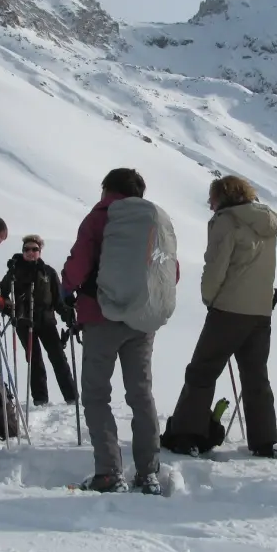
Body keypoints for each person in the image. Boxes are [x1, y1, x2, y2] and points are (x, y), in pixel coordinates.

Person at [60, 167, 179, 495]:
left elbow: (78, 264)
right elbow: (171, 271)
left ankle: (110, 473)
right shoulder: (156, 221)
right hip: (142, 320)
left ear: (106, 188)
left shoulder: (100, 216)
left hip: (101, 316)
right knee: (141, 394)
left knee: (97, 394)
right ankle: (148, 472)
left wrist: (65, 287)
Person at [164, 175, 277, 458]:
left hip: (229, 309)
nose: (209, 203)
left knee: (202, 371)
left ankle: (186, 436)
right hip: (260, 311)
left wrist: (209, 297)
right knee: (255, 377)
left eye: (212, 198)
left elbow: (216, 265)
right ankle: (263, 441)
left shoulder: (225, 222)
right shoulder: (267, 221)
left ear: (223, 197)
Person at [1, 234, 78, 406]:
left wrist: (68, 316)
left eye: (34, 249)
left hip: (47, 320)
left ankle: (71, 397)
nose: (30, 252)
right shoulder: (15, 271)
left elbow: (58, 299)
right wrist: (8, 307)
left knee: (58, 358)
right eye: (26, 249)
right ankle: (40, 399)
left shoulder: (48, 272)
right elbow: (1, 292)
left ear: (40, 251)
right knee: (34, 361)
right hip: (24, 321)